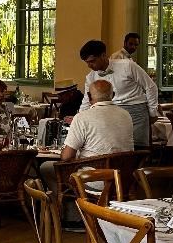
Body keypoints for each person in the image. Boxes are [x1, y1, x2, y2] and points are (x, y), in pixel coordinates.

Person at [40, 79, 135, 210]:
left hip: (95, 181)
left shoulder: (82, 117)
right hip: (123, 178)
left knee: (45, 167)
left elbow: (66, 157)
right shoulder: (126, 115)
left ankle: (68, 211)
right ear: (113, 95)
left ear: (89, 97)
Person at [79, 38, 158, 148]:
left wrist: (153, 112)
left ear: (103, 55)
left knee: (138, 148)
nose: (89, 66)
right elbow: (87, 100)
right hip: (110, 114)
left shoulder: (128, 66)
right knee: (116, 148)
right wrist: (79, 118)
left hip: (136, 112)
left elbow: (150, 87)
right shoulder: (91, 77)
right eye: (87, 62)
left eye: (92, 61)